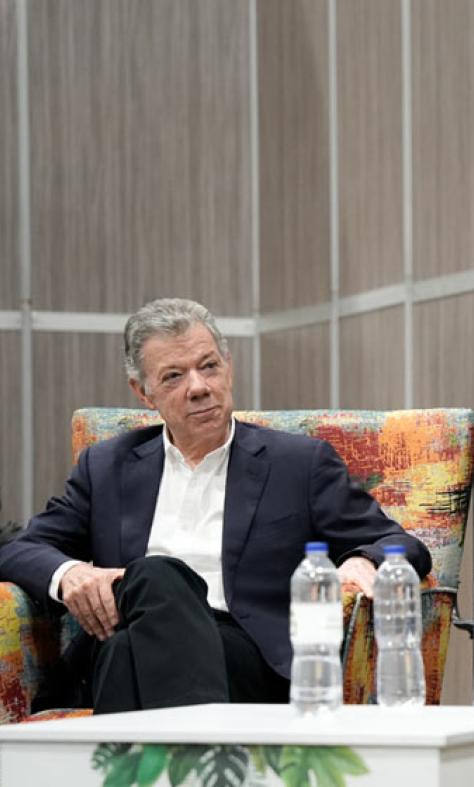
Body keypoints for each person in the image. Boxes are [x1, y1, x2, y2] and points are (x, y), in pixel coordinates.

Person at [0, 298, 430, 713]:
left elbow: (402, 545)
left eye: (208, 367)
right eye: (173, 377)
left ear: (229, 366)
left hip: (244, 653)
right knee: (147, 595)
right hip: (127, 644)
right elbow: (20, 550)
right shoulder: (107, 465)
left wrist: (364, 560)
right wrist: (70, 572)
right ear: (143, 392)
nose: (199, 388)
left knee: (139, 609)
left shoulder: (298, 464)